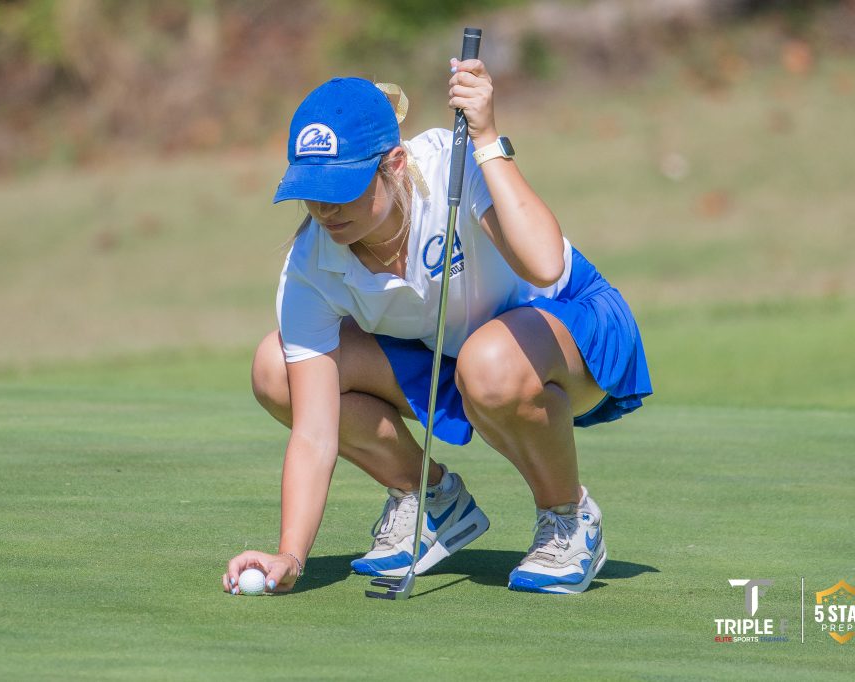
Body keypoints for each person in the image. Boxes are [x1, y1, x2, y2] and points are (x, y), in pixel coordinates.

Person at [222, 57, 652, 596]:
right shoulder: (310, 265)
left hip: (573, 332)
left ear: (394, 163)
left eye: (343, 187)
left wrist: (488, 137)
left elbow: (545, 264)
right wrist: (291, 553)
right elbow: (313, 431)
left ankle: (568, 517)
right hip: (455, 355)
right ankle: (432, 501)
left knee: (488, 361)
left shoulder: (452, 164)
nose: (325, 209)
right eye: (313, 188)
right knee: (275, 367)